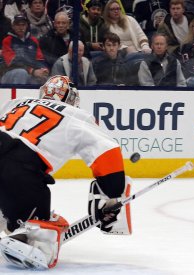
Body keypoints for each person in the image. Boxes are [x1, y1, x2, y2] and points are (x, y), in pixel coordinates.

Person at [0, 75, 131, 269]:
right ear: (72, 99)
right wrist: (113, 194)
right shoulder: (75, 115)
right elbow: (107, 151)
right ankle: (31, 232)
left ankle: (12, 218)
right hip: (18, 172)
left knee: (11, 209)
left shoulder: (16, 103)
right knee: (42, 233)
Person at [2, 14, 49, 84]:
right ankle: (18, 95)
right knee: (21, 73)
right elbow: (12, 63)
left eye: (23, 25)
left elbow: (40, 59)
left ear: (26, 26)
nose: (21, 28)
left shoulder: (34, 40)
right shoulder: (7, 41)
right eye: (18, 25)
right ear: (13, 26)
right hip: (10, 73)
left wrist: (43, 69)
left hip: (31, 73)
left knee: (45, 79)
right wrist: (32, 71)